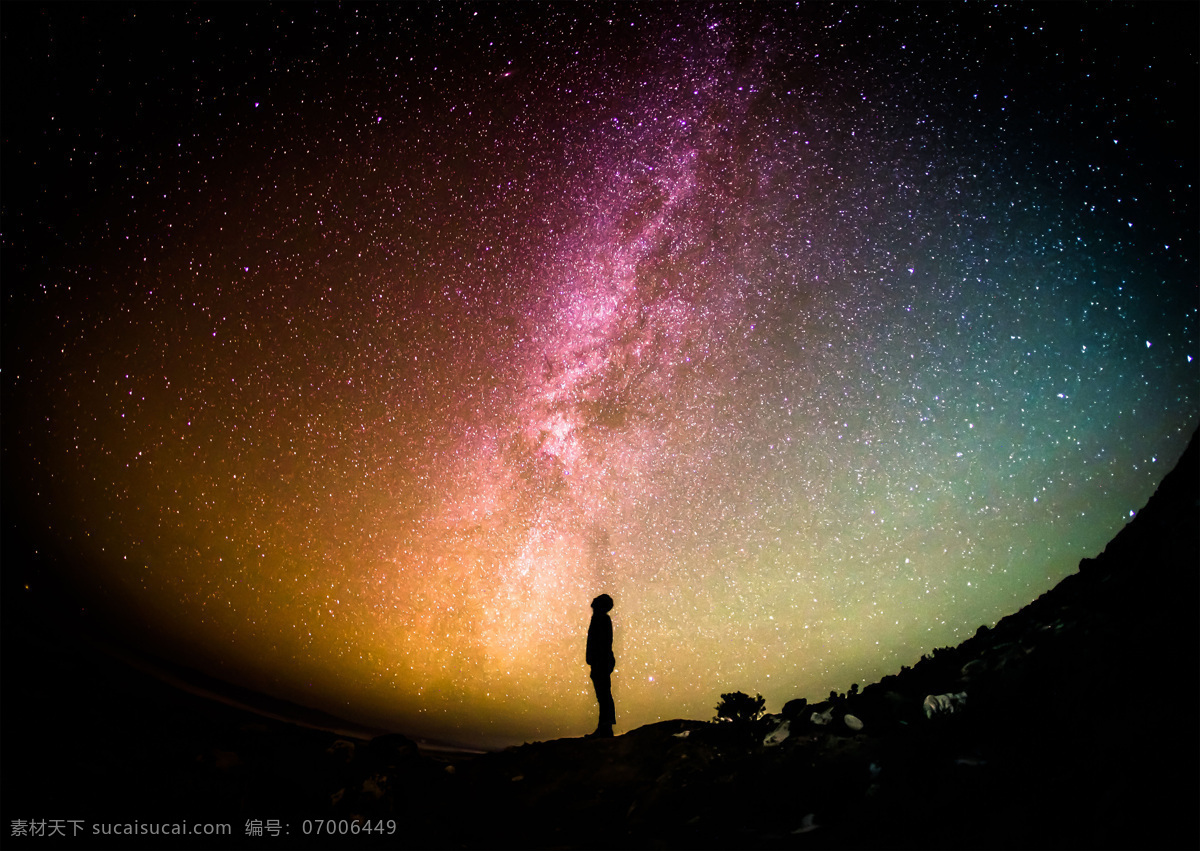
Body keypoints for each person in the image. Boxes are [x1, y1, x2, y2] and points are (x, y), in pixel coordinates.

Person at [586, 594, 616, 738]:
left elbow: (602, 643)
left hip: (601, 661)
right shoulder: (600, 619)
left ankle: (605, 728)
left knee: (603, 695)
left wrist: (597, 660)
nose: (592, 602)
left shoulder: (602, 619)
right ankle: (604, 727)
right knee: (603, 694)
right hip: (600, 661)